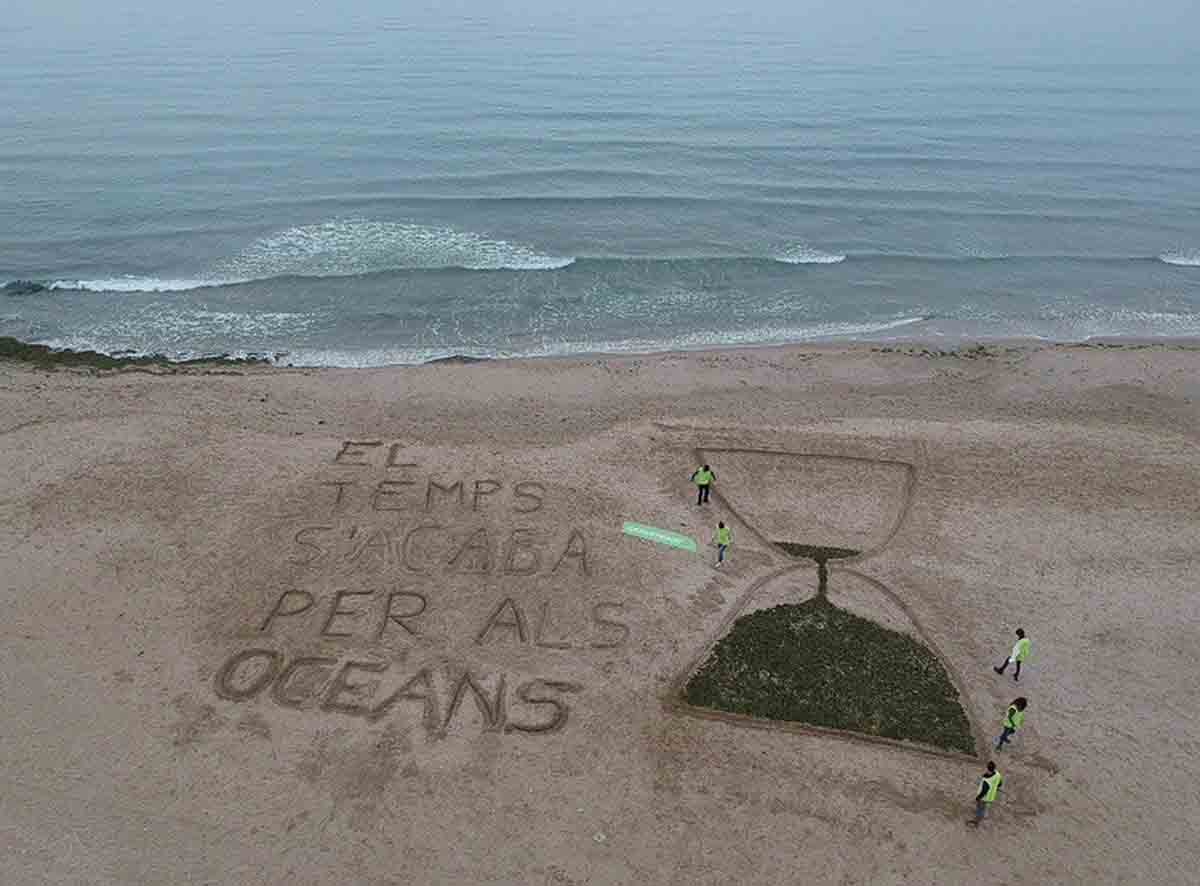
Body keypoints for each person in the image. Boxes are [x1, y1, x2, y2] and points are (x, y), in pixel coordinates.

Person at [966, 761, 1003, 827]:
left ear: (987, 768)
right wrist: (995, 787)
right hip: (991, 797)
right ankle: (982, 814)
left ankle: (976, 821)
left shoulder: (987, 781)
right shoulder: (998, 774)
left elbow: (984, 792)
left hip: (984, 798)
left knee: (980, 808)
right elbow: (1000, 783)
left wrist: (978, 798)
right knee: (984, 807)